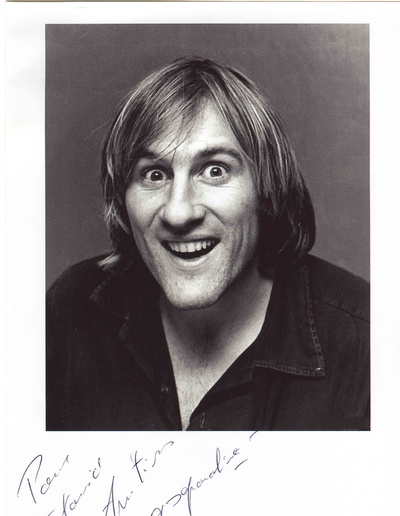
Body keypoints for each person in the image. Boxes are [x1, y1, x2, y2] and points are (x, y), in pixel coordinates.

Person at [46, 57, 369, 431]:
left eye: (215, 170)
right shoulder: (71, 310)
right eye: (154, 174)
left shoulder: (369, 342)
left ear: (267, 187)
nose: (178, 212)